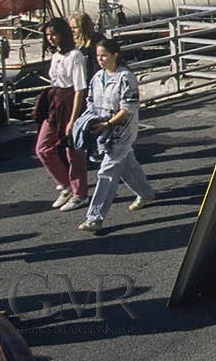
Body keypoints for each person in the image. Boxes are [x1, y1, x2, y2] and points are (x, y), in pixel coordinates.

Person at [79, 36, 155, 234]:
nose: (100, 59)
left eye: (104, 55)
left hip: (122, 131)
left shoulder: (126, 77)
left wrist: (108, 124)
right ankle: (145, 193)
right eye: (98, 56)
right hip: (104, 131)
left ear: (115, 55)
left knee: (107, 172)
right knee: (127, 164)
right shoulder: (97, 77)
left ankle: (95, 217)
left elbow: (127, 109)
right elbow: (90, 102)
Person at [37, 18, 88, 212]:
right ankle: (66, 185)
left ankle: (80, 193)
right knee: (43, 148)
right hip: (56, 103)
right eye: (48, 35)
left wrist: (73, 119)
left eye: (54, 34)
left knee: (73, 150)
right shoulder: (56, 56)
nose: (50, 38)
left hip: (70, 102)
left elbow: (79, 89)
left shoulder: (76, 56)